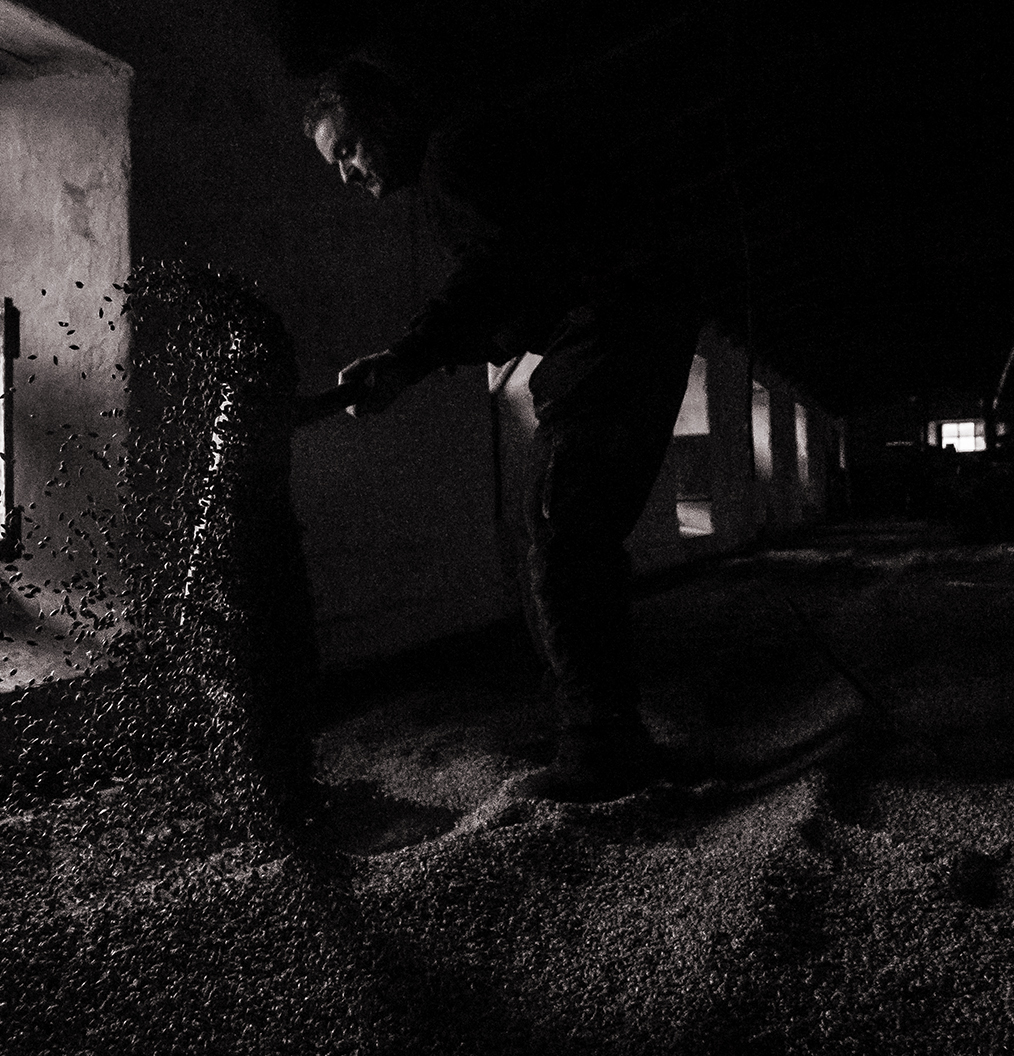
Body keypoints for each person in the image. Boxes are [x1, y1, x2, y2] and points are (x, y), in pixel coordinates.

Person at [307, 43, 725, 801]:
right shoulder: (467, 158)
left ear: (386, 117)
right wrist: (424, 355)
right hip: (627, 321)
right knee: (574, 536)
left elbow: (495, 271)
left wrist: (409, 355)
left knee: (562, 535)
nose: (348, 174)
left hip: (613, 326)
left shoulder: (450, 155)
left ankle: (602, 753)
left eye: (350, 149)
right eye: (336, 164)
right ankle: (607, 734)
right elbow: (519, 275)